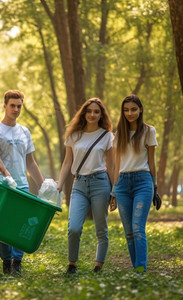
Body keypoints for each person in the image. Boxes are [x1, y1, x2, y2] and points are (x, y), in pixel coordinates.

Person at [0, 90, 44, 276]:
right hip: (1, 185)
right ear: (5, 106)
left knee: (21, 225)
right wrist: (7, 175)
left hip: (22, 185)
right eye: (12, 105)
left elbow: (31, 162)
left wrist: (44, 186)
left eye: (19, 106)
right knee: (2, 225)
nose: (16, 109)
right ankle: (6, 261)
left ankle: (17, 262)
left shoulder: (24, 131)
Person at [57, 97, 114, 275]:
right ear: (84, 113)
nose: (92, 114)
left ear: (101, 115)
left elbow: (111, 166)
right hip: (79, 184)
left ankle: (98, 265)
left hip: (100, 183)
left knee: (101, 228)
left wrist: (114, 191)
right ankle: (72, 264)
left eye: (96, 112)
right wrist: (59, 185)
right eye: (89, 111)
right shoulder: (74, 135)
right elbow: (67, 162)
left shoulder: (107, 136)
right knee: (73, 227)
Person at [111, 94, 158, 273]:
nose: (129, 113)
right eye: (126, 110)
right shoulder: (119, 134)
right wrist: (114, 191)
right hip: (122, 184)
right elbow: (116, 165)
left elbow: (152, 162)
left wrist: (155, 186)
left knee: (138, 228)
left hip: (143, 182)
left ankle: (141, 269)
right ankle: (135, 268)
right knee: (129, 232)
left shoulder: (148, 131)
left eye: (133, 109)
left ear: (140, 110)